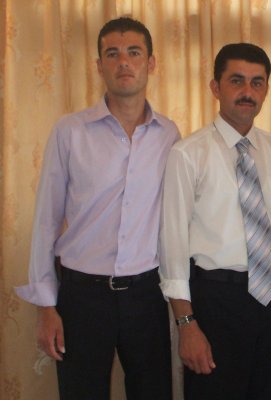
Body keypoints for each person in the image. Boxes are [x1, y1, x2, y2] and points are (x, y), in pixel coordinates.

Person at [15, 17, 179, 399]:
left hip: (146, 295)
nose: (124, 62)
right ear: (99, 65)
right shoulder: (70, 131)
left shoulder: (169, 135)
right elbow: (46, 221)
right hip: (82, 298)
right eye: (113, 54)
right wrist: (46, 307)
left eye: (134, 52)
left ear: (151, 63)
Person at [159, 43, 271, 399]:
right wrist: (186, 324)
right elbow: (172, 245)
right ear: (215, 87)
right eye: (237, 81)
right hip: (216, 302)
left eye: (257, 82)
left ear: (266, 89)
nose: (247, 91)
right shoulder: (188, 155)